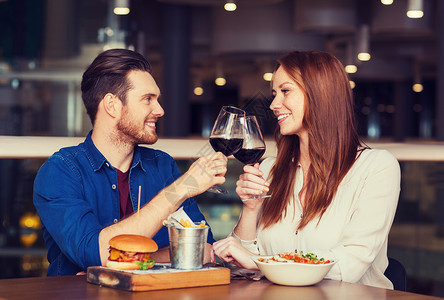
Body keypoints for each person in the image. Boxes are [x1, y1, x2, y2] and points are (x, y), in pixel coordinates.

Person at [213, 50, 401, 289]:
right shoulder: (271, 169)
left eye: (285, 91)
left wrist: (262, 263)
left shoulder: (377, 168)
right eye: (274, 93)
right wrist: (251, 209)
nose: (273, 104)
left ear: (320, 94)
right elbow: (242, 263)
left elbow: (348, 266)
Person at [33, 49, 227, 276]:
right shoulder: (60, 171)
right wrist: (180, 189)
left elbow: (204, 250)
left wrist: (130, 261)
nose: (160, 110)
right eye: (147, 99)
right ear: (112, 105)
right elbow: (94, 254)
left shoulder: (162, 166)